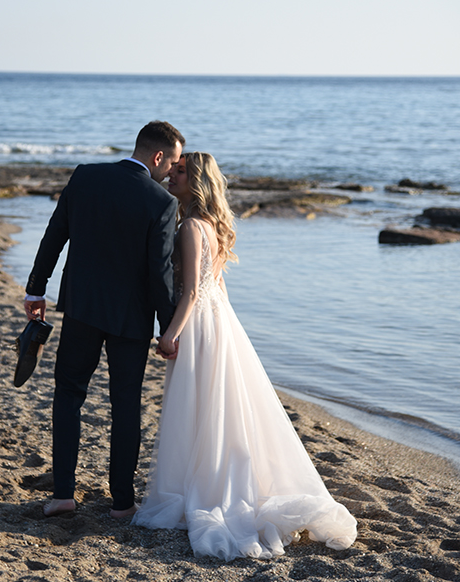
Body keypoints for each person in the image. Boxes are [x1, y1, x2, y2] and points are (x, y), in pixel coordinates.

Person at [133, 152, 357, 559]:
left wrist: (169, 336)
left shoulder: (189, 227)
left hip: (200, 324)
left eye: (181, 172)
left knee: (201, 409)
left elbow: (193, 292)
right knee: (222, 411)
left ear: (198, 181)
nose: (171, 175)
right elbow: (215, 288)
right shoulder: (215, 227)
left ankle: (207, 489)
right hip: (221, 324)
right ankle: (223, 480)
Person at [24, 121, 185, 518]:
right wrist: (169, 328)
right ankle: (122, 502)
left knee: (68, 395)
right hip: (130, 320)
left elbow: (54, 235)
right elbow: (158, 274)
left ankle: (63, 493)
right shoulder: (162, 203)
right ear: (158, 156)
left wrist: (35, 289)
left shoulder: (86, 176)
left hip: (80, 307)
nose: (171, 172)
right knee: (126, 405)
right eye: (173, 163)